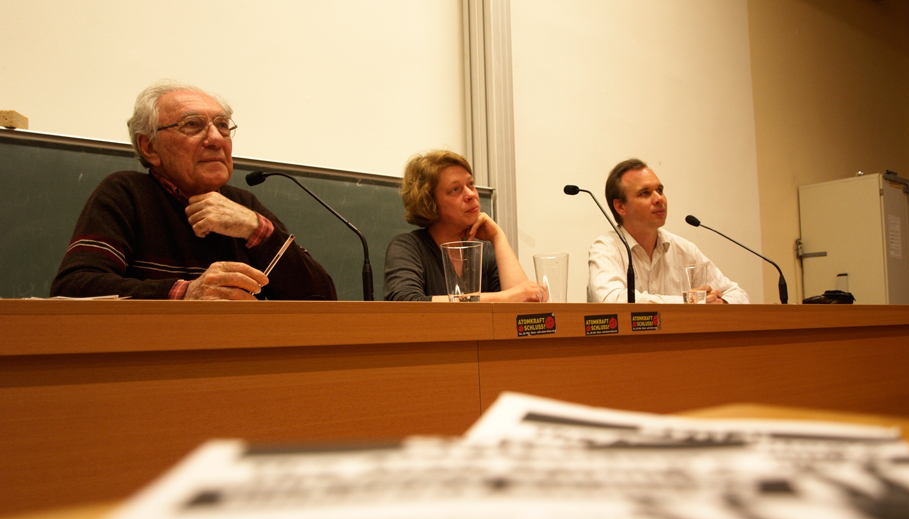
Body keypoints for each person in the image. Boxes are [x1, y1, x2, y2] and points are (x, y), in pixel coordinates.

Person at [51, 80, 336, 300]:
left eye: (223, 126)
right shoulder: (126, 193)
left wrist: (255, 228)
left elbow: (321, 297)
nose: (215, 139)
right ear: (149, 147)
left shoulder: (243, 204)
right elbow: (72, 289)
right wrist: (186, 293)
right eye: (193, 125)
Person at [384, 150, 544, 302]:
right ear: (430, 202)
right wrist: (505, 298)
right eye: (455, 189)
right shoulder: (408, 247)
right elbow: (405, 303)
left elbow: (526, 306)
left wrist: (498, 237)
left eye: (471, 184)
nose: (471, 194)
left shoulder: (485, 251)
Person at [588, 158, 749, 304]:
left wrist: (721, 303)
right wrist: (687, 302)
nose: (659, 199)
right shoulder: (606, 248)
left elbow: (738, 294)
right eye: (645, 193)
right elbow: (610, 299)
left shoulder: (683, 249)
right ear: (620, 206)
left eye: (660, 190)